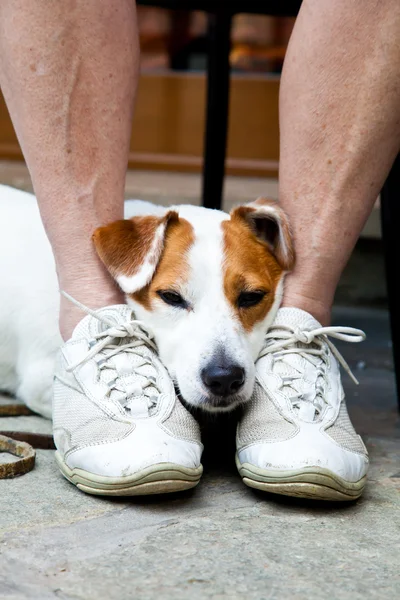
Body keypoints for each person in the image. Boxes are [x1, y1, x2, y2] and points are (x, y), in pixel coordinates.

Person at [0, 0, 398, 499]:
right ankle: (92, 338)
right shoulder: (139, 242)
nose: (223, 364)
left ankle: (300, 337)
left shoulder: (247, 243)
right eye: (174, 300)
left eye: (250, 299)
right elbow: (37, 383)